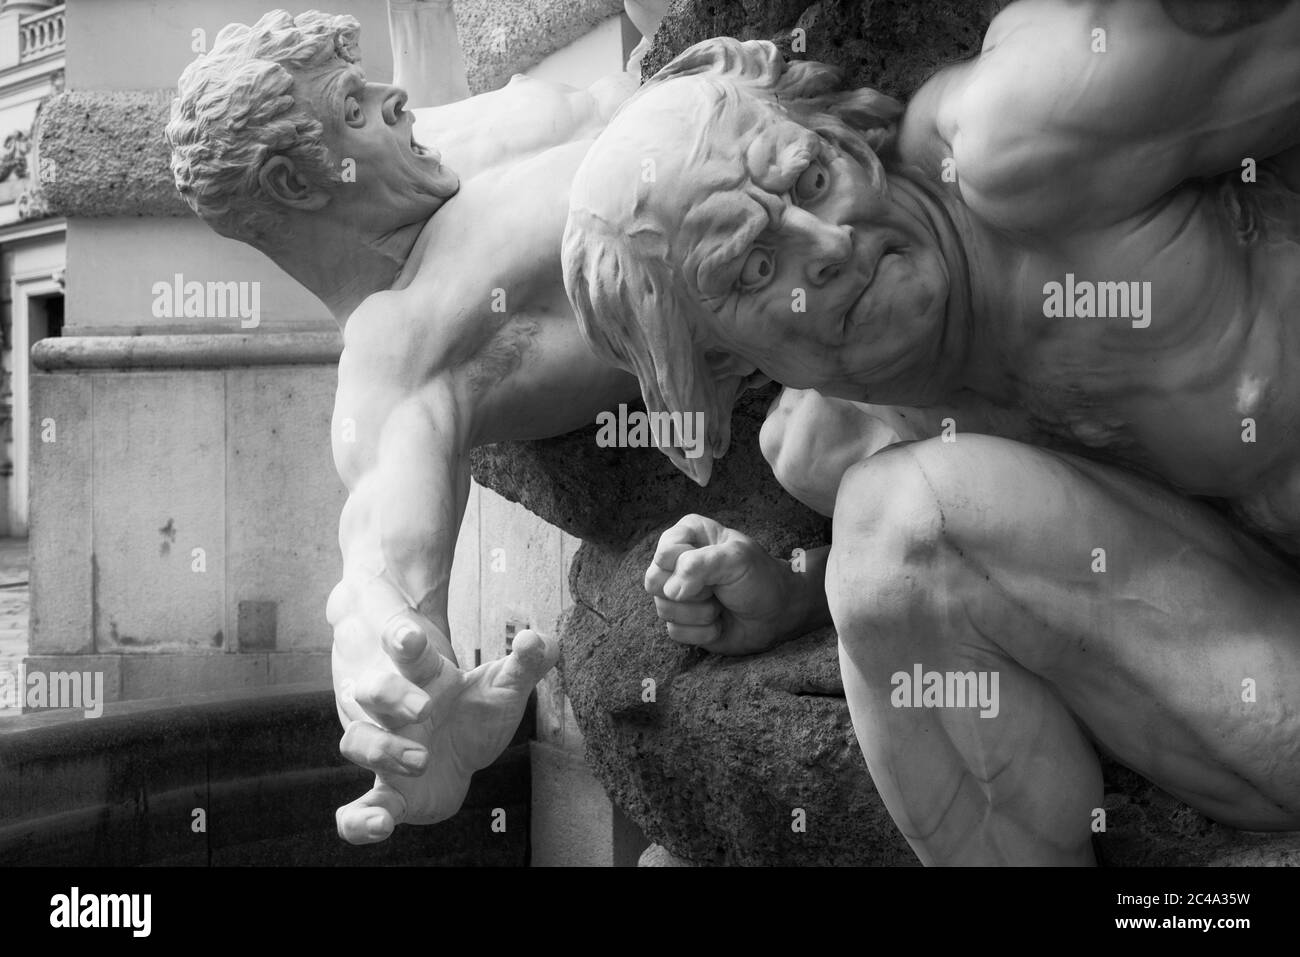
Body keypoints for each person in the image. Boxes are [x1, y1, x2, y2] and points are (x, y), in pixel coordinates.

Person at [563, 1, 1300, 864]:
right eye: (757, 267)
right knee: (889, 539)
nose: (827, 241)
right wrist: (790, 594)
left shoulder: (1038, 130)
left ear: (843, 133)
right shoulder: (829, 451)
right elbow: (1000, 572)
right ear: (723, 365)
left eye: (811, 180)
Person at [167, 4, 647, 845]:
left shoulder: (424, 148)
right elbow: (381, 556)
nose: (394, 100)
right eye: (354, 104)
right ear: (295, 184)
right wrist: (393, 663)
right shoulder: (396, 349)